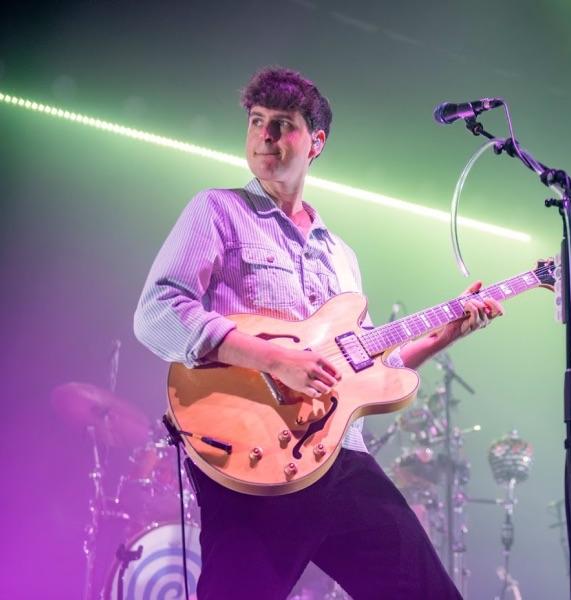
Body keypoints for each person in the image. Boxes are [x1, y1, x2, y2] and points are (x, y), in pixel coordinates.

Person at [134, 66, 503, 599]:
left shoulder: (342, 256)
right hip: (251, 455)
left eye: (282, 124)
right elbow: (157, 312)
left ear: (316, 142)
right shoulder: (217, 211)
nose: (264, 136)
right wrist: (275, 360)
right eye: (257, 122)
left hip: (340, 458)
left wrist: (443, 335)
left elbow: (370, 372)